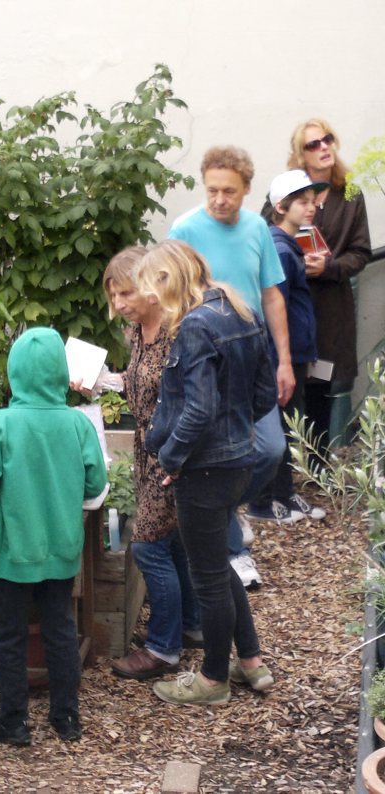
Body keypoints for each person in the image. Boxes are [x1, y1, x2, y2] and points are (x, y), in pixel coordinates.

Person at [135, 240, 276, 706]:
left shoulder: (194, 325)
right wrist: (231, 435)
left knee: (208, 576)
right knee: (218, 564)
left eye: (150, 286)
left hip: (205, 470)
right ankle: (251, 662)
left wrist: (172, 459)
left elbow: (197, 410)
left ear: (167, 278)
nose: (149, 298)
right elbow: (263, 395)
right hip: (238, 460)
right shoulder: (237, 309)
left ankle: (213, 679)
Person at [0, 327, 107, 746]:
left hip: (10, 549)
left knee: (7, 634)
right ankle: (66, 718)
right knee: (60, 628)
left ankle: (13, 720)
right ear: (61, 373)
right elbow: (95, 483)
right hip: (60, 547)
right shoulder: (78, 424)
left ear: (14, 372)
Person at [168, 145, 295, 589]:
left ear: (246, 190)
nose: (219, 200)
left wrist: (284, 361)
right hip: (205, 356)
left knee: (269, 449)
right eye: (212, 191)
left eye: (229, 192)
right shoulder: (184, 229)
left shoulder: (258, 228)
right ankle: (234, 550)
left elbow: (272, 296)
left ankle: (228, 511)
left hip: (252, 357)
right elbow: (172, 299)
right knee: (214, 456)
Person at [98, 247, 201, 680]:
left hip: (174, 457)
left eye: (125, 293)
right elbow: (140, 383)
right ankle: (190, 626)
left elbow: (189, 399)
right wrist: (107, 381)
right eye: (113, 295)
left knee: (147, 547)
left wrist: (174, 454)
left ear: (151, 288)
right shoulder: (137, 332)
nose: (118, 304)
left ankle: (163, 648)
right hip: (146, 452)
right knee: (174, 543)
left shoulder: (180, 331)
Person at [279, 119, 372, 452]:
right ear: (299, 155)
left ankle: (316, 467)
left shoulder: (349, 193)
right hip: (290, 306)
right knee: (287, 389)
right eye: (313, 144)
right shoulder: (285, 192)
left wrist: (329, 266)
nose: (323, 148)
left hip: (330, 308)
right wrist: (294, 260)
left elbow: (361, 252)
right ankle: (284, 472)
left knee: (321, 389)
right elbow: (266, 239)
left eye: (327, 140)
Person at [247, 170, 328, 522]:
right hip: (284, 356)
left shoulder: (287, 246)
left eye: (313, 201)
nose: (311, 208)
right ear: (281, 206)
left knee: (292, 424)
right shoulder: (279, 249)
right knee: (280, 427)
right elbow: (273, 304)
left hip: (294, 354)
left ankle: (285, 493)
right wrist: (281, 358)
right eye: (302, 202)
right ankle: (264, 502)